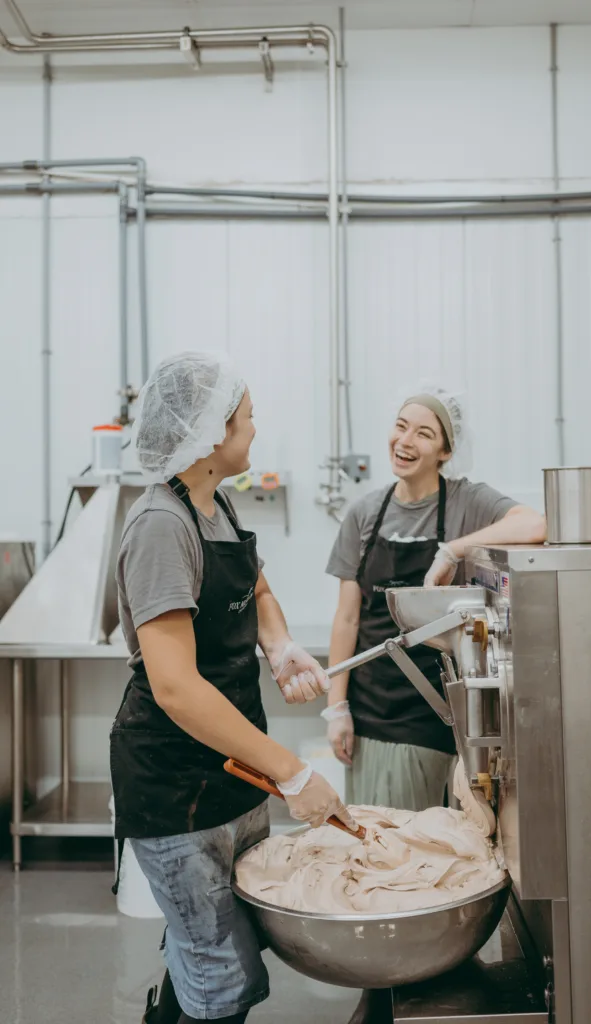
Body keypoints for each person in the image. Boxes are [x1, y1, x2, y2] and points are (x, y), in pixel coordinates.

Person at [110, 351, 355, 1024]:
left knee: (217, 944)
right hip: (174, 781)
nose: (254, 430)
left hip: (231, 766)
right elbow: (176, 690)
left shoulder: (213, 503)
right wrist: (295, 775)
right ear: (211, 433)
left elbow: (259, 588)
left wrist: (279, 647)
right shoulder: (162, 525)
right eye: (246, 418)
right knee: (222, 976)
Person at [324, 383, 546, 811]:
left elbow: (535, 525)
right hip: (374, 706)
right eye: (401, 426)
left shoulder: (466, 500)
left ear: (446, 451)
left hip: (443, 707)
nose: (405, 441)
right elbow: (348, 619)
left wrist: (452, 550)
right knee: (381, 833)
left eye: (424, 433)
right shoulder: (364, 513)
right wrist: (337, 708)